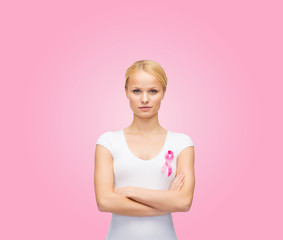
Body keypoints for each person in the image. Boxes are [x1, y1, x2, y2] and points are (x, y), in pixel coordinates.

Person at [94, 59, 195, 240]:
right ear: (126, 92)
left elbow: (184, 202)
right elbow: (104, 201)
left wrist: (131, 191)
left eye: (153, 91)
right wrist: (166, 201)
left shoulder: (181, 143)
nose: (145, 99)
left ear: (164, 92)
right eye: (137, 91)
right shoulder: (108, 142)